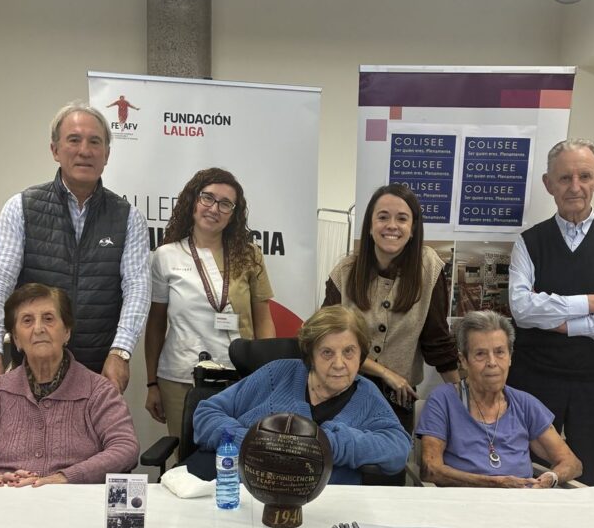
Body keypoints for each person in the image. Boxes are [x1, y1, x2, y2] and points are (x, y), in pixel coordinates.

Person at [0, 101, 151, 394]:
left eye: (95, 142)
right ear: (55, 150)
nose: (85, 150)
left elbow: (137, 289)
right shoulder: (21, 207)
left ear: (107, 154)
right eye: (74, 140)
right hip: (33, 368)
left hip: (98, 372)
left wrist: (121, 352)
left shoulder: (128, 217)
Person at [508, 138, 594, 486]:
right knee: (529, 480)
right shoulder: (528, 243)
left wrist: (563, 325)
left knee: (592, 482)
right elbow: (524, 310)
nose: (575, 187)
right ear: (548, 184)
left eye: (584, 176)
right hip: (534, 383)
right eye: (564, 178)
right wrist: (591, 302)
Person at [0, 284, 139, 485]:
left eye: (48, 319)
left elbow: (125, 448)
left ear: (66, 331)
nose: (38, 329)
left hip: (72, 506)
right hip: (3, 504)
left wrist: (65, 477)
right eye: (27, 321)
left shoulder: (99, 391)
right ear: (16, 339)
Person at [193, 305, 411, 484]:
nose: (339, 364)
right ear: (311, 354)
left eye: (348, 352)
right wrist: (252, 442)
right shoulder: (277, 374)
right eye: (327, 352)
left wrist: (328, 444)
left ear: (361, 354)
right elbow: (207, 413)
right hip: (243, 494)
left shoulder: (367, 397)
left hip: (322, 509)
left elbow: (398, 448)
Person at [145, 167, 276, 438]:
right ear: (193, 200)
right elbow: (156, 324)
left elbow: (263, 319)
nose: (214, 208)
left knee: (234, 455)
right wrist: (151, 383)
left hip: (239, 377)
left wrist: (265, 376)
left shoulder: (250, 255)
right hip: (180, 377)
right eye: (208, 198)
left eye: (225, 204)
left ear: (233, 214)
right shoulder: (165, 256)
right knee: (183, 458)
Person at [323, 182, 459, 430]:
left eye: (402, 218)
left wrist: (464, 396)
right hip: (343, 392)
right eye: (383, 217)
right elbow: (326, 342)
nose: (392, 226)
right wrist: (386, 373)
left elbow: (436, 340)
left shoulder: (429, 267)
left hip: (398, 400)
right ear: (370, 226)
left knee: (389, 466)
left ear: (413, 227)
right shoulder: (344, 273)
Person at [416, 311, 581, 488]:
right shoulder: (443, 400)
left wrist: (551, 478)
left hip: (521, 505)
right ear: (463, 360)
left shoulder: (525, 404)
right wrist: (495, 482)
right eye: (480, 354)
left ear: (510, 357)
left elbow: (572, 463)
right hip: (464, 506)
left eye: (500, 352)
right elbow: (430, 468)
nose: (492, 362)